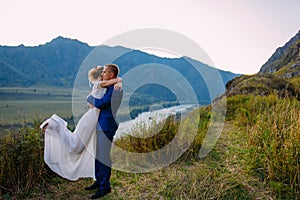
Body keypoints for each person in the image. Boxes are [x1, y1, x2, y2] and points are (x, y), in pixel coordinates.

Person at [40, 65, 122, 181]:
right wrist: (118, 81)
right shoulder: (100, 84)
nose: (104, 74)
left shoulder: (107, 86)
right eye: (102, 73)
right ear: (100, 76)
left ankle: (100, 179)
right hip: (90, 119)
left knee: (90, 149)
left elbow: (94, 101)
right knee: (76, 145)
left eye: (105, 72)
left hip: (95, 119)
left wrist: (117, 82)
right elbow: (116, 81)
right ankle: (55, 124)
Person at [85, 63, 123, 199]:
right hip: (100, 124)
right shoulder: (111, 85)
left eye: (105, 72)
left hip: (107, 126)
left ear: (111, 75)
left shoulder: (116, 90)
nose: (103, 74)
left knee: (104, 157)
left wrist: (89, 98)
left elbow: (101, 103)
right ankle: (98, 180)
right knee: (98, 155)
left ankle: (105, 187)